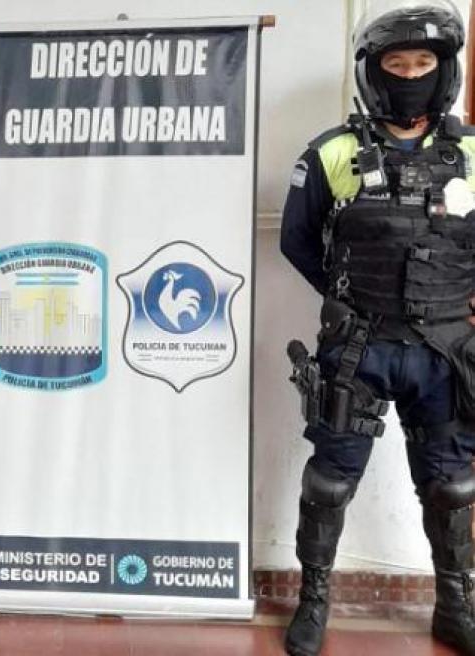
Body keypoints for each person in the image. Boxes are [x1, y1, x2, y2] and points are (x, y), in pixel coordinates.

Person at [280, 1, 475, 654]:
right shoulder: (333, 152)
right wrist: (347, 298)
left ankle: (455, 605)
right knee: (330, 480)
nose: (411, 74)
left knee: (451, 483)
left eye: (423, 63)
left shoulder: (472, 152)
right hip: (358, 350)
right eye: (398, 63)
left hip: (446, 352)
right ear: (374, 71)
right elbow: (297, 240)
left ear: (444, 71)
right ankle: (313, 602)